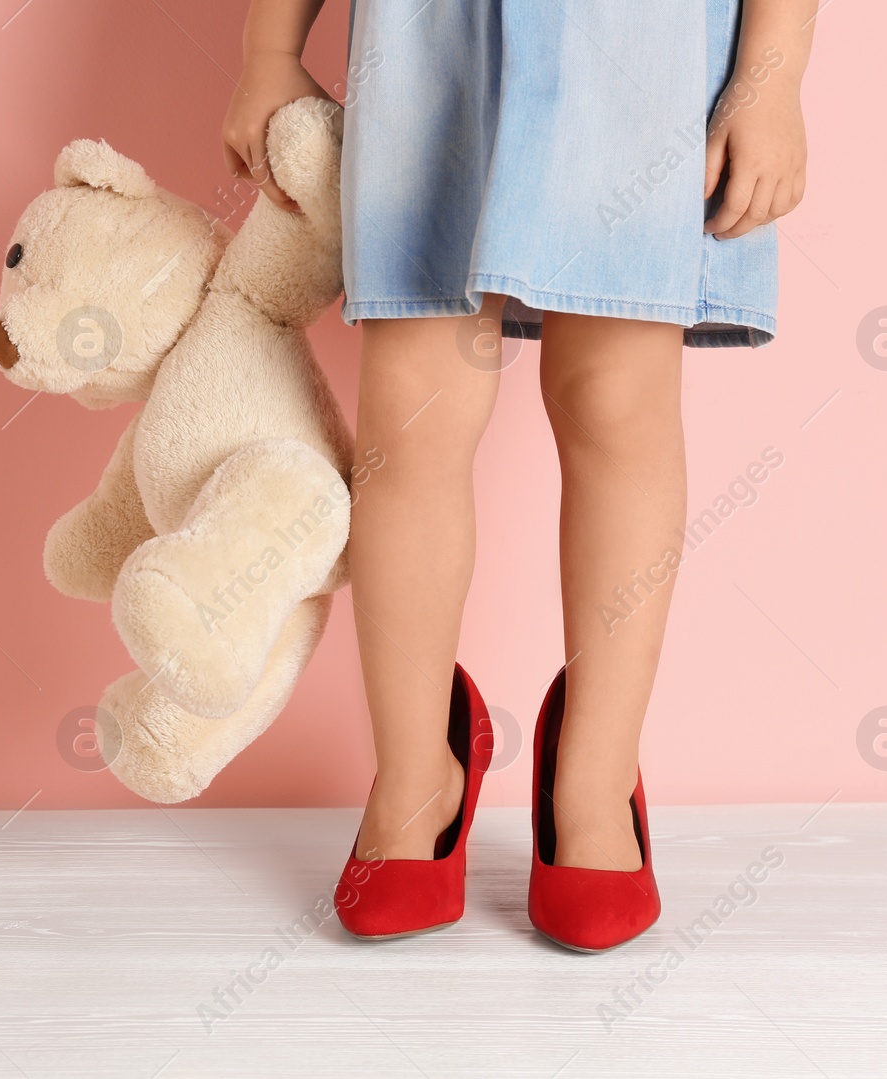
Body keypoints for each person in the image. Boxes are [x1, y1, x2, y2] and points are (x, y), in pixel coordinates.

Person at [220, 0, 813, 948]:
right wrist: (269, 48)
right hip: (428, 42)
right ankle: (418, 773)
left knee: (616, 402)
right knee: (411, 419)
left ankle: (596, 773)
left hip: (641, 47)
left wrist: (773, 73)